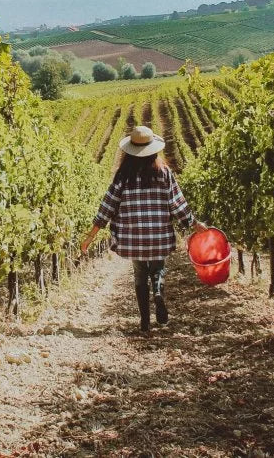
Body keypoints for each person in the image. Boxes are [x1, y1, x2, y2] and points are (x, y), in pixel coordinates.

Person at [81, 125, 207, 332]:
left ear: (129, 152)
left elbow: (108, 206)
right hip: (158, 235)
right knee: (158, 269)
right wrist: (194, 224)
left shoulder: (123, 175)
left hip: (133, 238)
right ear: (153, 150)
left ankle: (145, 322)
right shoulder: (164, 172)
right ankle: (158, 293)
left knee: (139, 275)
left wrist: (90, 236)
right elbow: (177, 204)